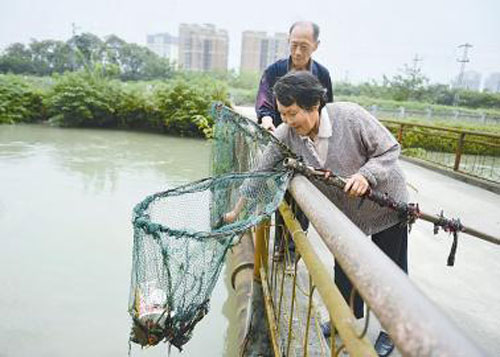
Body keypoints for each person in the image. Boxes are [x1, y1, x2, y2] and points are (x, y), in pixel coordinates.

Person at [226, 71, 408, 357]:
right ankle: (344, 322)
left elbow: (390, 149)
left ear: (314, 105)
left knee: (389, 272)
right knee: (345, 270)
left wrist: (366, 175)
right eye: (283, 114)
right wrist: (237, 209)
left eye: (292, 113)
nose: (287, 120)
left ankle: (393, 331)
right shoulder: (289, 133)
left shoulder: (350, 116)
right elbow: (263, 169)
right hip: (348, 214)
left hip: (385, 205)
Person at [255, 21, 334, 259]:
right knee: (283, 193)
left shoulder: (322, 75)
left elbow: (327, 112)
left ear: (316, 46)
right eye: (294, 45)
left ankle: (292, 251)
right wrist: (267, 119)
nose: (298, 52)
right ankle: (281, 243)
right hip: (282, 141)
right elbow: (264, 101)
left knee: (305, 196)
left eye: (304, 47)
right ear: (288, 41)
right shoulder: (274, 71)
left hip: (310, 145)